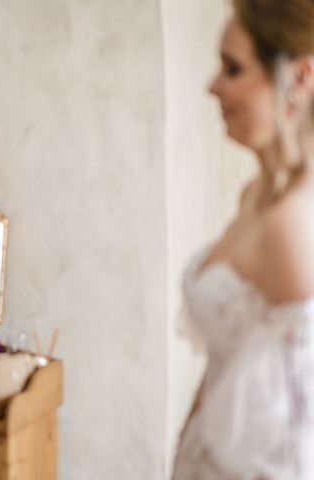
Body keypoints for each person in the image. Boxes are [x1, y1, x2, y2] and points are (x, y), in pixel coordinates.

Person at [172, 1, 314, 478]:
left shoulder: (293, 225)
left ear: (299, 77)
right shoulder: (258, 195)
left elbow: (299, 436)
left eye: (233, 69)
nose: (213, 86)